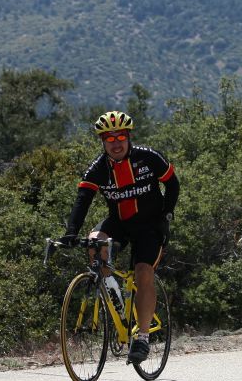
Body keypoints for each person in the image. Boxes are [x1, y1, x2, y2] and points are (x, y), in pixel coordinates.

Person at [59, 110, 179, 363]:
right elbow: (82, 201)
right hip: (120, 223)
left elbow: (173, 183)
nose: (116, 143)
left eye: (120, 137)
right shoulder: (99, 168)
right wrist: (70, 233)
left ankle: (143, 338)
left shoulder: (148, 158)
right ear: (103, 142)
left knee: (143, 271)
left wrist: (166, 214)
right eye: (109, 139)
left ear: (129, 137)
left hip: (150, 227)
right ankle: (112, 289)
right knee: (94, 242)